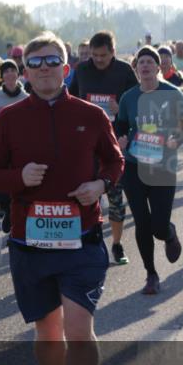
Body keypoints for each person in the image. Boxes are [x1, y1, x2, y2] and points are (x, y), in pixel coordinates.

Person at [0, 31, 124, 365]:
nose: (44, 68)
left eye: (52, 61)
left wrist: (100, 184)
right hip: (31, 244)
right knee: (48, 333)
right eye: (35, 62)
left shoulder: (91, 115)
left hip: (81, 240)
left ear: (67, 67)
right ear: (24, 71)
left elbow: (115, 161)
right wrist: (17, 178)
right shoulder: (8, 119)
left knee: (79, 330)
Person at [115, 47, 183, 293]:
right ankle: (151, 274)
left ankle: (169, 233)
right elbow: (120, 123)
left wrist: (177, 140)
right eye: (142, 62)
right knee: (141, 222)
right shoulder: (128, 97)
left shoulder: (171, 94)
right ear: (136, 68)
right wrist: (120, 138)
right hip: (133, 165)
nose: (146, 65)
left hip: (162, 166)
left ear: (158, 67)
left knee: (158, 226)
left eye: (151, 61)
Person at [68, 30, 138, 265]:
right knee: (84, 198)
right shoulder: (82, 69)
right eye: (95, 55)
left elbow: (138, 105)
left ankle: (117, 245)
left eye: (103, 55)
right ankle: (85, 245)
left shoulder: (124, 71)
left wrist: (121, 110)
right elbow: (71, 98)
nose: (98, 59)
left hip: (114, 144)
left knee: (116, 202)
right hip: (85, 144)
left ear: (113, 52)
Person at [0, 60, 30, 232]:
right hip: (2, 148)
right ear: (1, 76)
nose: (10, 74)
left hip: (23, 148)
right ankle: (7, 210)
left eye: (13, 70)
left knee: (21, 186)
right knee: (4, 187)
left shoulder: (27, 98)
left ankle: (15, 218)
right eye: (6, 71)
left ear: (18, 74)